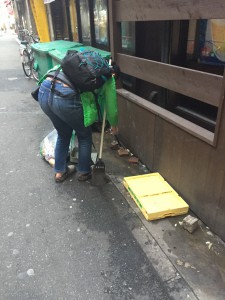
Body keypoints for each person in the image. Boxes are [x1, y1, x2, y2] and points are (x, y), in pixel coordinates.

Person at [37, 63, 119, 183]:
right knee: (84, 135)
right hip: (65, 96)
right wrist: (114, 125)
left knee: (63, 133)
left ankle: (60, 172)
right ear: (114, 74)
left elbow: (54, 70)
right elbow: (112, 108)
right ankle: (84, 172)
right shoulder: (108, 76)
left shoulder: (80, 63)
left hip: (44, 90)